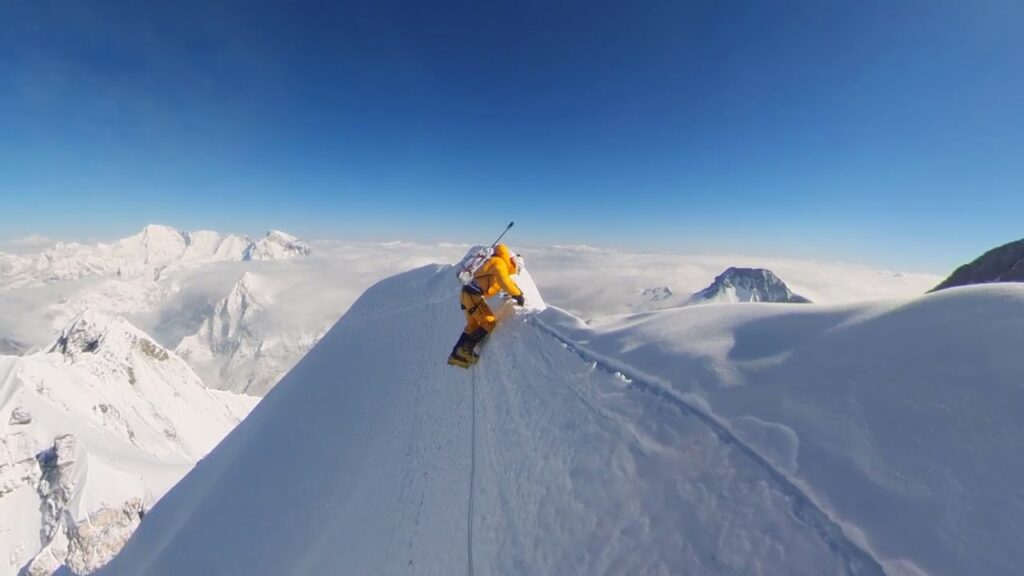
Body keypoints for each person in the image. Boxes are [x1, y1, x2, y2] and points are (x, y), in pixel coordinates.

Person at [447, 244, 524, 368]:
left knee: (472, 325)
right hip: (473, 296)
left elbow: (497, 283)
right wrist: (518, 295)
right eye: (516, 269)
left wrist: (510, 290)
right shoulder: (499, 263)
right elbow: (504, 281)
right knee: (489, 322)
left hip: (465, 294)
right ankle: (467, 349)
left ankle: (456, 355)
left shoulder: (490, 261)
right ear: (514, 264)